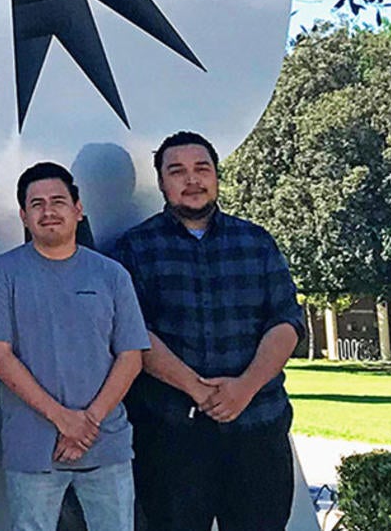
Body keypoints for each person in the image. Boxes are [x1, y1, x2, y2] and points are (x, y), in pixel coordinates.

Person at [105, 132, 306, 531]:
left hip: (258, 429)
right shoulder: (135, 249)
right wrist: (198, 390)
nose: (192, 180)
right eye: (176, 171)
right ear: (161, 182)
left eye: (202, 169)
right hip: (172, 436)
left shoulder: (257, 242)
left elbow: (286, 322)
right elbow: (132, 333)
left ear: (216, 176)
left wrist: (245, 387)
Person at [0, 162, 149, 531]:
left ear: (78, 209)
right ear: (23, 214)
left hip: (106, 443)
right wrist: (62, 418)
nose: (48, 211)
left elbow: (131, 356)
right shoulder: (1, 274)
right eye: (36, 204)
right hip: (33, 447)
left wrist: (89, 421)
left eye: (57, 201)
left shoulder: (111, 274)